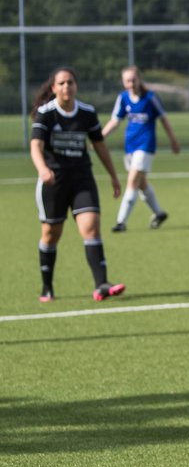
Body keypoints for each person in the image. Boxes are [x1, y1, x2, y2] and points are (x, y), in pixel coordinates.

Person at [29, 67, 126, 303]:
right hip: (54, 181)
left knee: (91, 226)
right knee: (51, 234)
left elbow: (99, 146)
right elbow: (36, 146)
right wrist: (43, 169)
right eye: (61, 83)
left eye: (70, 82)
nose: (66, 87)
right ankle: (47, 286)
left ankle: (101, 284)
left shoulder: (87, 113)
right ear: (53, 88)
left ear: (76, 86)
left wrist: (113, 175)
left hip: (82, 179)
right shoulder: (46, 113)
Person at [101, 66, 181, 231]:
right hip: (130, 146)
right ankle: (159, 213)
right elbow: (115, 120)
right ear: (124, 83)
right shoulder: (123, 98)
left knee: (132, 182)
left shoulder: (150, 98)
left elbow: (163, 119)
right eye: (127, 81)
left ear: (139, 80)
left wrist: (173, 140)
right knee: (141, 184)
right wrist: (100, 136)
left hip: (146, 146)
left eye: (133, 80)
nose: (131, 83)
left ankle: (121, 222)